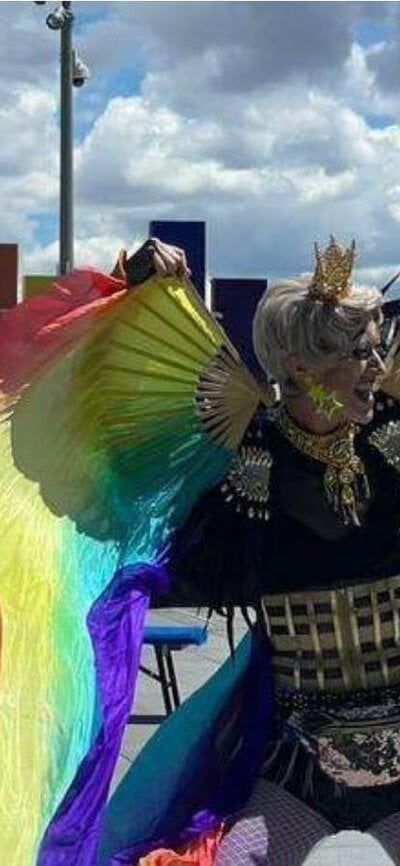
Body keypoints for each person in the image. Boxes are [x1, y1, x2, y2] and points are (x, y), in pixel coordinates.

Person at [1, 235, 400, 866]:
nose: (378, 366)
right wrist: (137, 283)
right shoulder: (243, 459)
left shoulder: (392, 439)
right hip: (293, 763)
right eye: (360, 352)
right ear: (299, 366)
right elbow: (106, 397)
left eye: (377, 348)